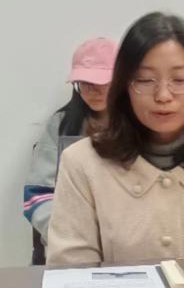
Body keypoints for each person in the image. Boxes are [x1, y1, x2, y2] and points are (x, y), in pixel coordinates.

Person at [46, 12, 184, 265]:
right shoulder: (81, 163)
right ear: (123, 85)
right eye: (145, 80)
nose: (163, 95)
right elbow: (72, 274)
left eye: (180, 80)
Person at [23, 38, 117, 249]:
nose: (95, 90)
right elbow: (37, 193)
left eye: (103, 83)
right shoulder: (61, 125)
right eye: (86, 83)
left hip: (126, 243)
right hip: (69, 242)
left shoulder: (139, 126)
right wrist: (60, 235)